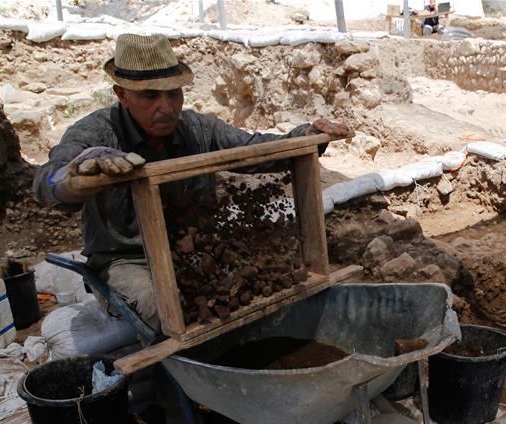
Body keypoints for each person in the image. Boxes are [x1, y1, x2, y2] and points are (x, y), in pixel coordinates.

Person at [33, 33, 349, 334]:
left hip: (195, 250)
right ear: (121, 95)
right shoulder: (95, 133)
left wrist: (306, 137)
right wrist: (74, 177)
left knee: (256, 286)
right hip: (127, 258)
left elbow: (258, 150)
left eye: (174, 93)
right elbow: (46, 182)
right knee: (163, 308)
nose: (167, 107)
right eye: (150, 96)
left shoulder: (198, 129)